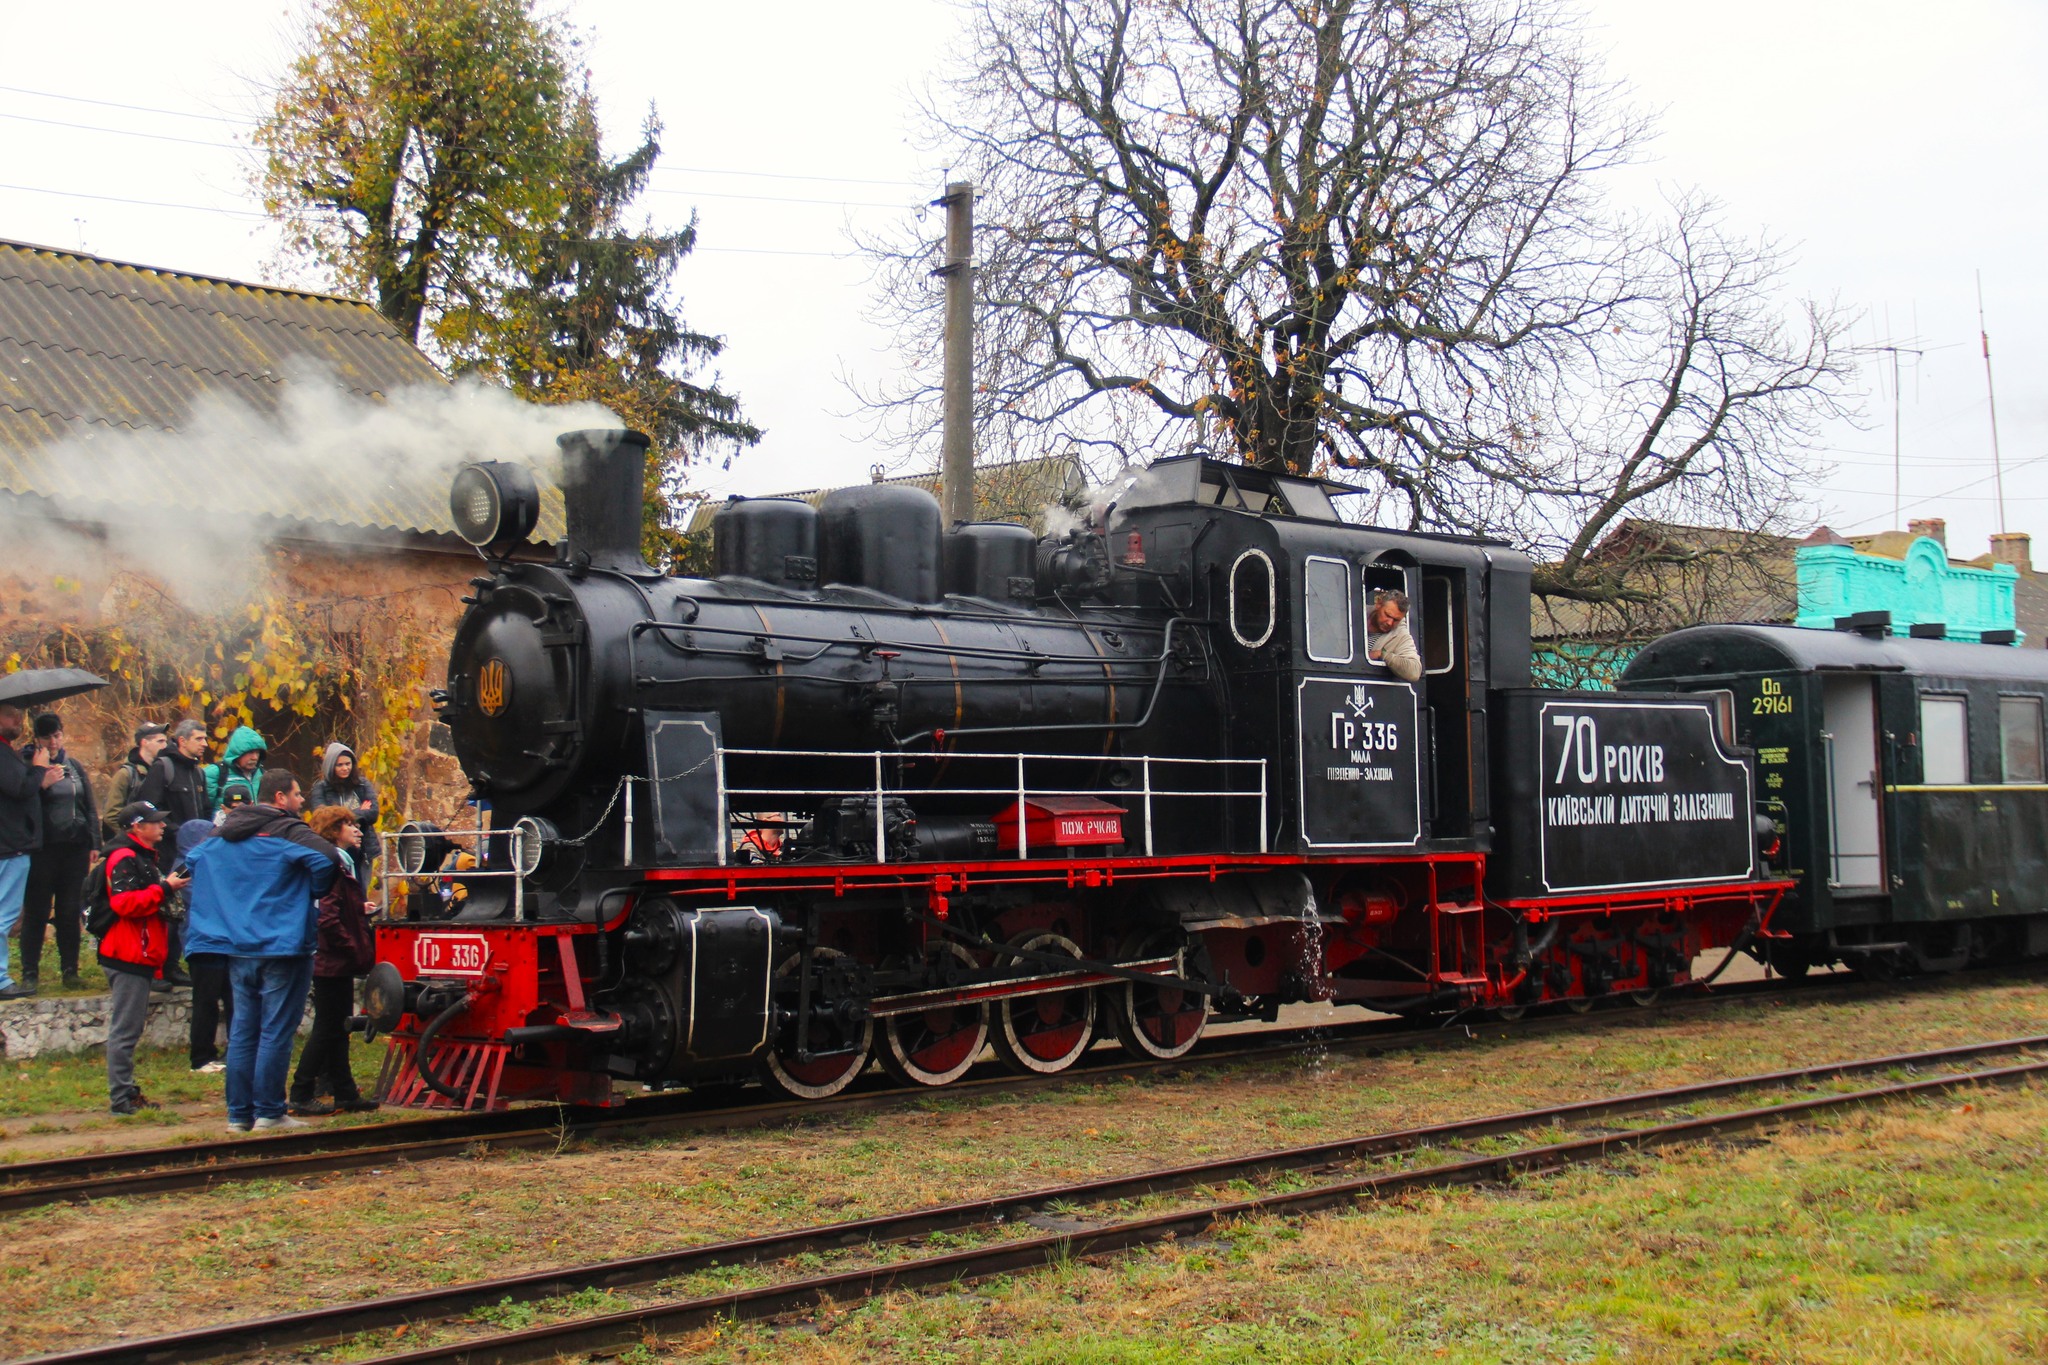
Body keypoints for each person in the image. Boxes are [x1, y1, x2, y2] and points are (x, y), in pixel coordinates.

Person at [186, 770, 339, 1132]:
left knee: (243, 1031)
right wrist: (309, 892)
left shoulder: (224, 831)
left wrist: (233, 896)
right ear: (280, 797)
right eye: (297, 794)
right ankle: (270, 1111)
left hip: (238, 946)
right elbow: (328, 859)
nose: (301, 801)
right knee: (275, 1030)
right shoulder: (287, 829)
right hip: (282, 944)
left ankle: (239, 1115)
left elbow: (194, 860)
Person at [95, 802, 186, 1115]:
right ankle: (121, 1099)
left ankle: (126, 1092)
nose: (162, 826)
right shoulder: (124, 857)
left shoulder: (139, 855)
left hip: (135, 952)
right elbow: (124, 904)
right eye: (155, 822)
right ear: (137, 826)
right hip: (126, 954)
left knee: (129, 1029)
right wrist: (165, 888)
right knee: (125, 1030)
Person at [289, 806, 378, 1116]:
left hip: (333, 959)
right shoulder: (332, 863)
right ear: (333, 830)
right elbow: (326, 917)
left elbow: (336, 909)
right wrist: (352, 947)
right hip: (331, 960)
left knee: (339, 1027)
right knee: (328, 1028)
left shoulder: (341, 862)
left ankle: (345, 1092)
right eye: (348, 824)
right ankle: (301, 1091)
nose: (356, 829)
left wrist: (358, 911)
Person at [19, 713, 100, 993]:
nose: (53, 742)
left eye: (57, 736)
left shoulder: (73, 765)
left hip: (75, 847)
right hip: (42, 849)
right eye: (47, 737)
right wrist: (42, 783)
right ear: (37, 739)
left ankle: (70, 970)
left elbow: (89, 806)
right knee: (37, 911)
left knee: (69, 910)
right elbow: (21, 803)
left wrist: (95, 842)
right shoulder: (27, 765)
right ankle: (30, 972)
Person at [138, 719, 212, 986]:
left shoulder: (198, 773)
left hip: (194, 854)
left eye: (205, 738)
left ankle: (172, 965)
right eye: (199, 739)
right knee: (164, 910)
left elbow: (205, 810)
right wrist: (175, 831)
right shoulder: (163, 767)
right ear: (182, 741)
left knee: (184, 911)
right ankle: (156, 969)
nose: (205, 744)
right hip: (167, 852)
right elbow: (148, 807)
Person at [0, 703, 52, 1001]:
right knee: (4, 916)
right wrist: (39, 769)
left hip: (11, 844)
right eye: (9, 715)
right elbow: (19, 788)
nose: (17, 720)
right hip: (10, 845)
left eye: (18, 715)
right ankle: (0, 979)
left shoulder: (8, 752)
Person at [175, 815, 232, 1073]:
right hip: (202, 942)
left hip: (224, 941)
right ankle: (201, 1056)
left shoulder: (213, 862)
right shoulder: (184, 867)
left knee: (232, 999)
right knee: (206, 1001)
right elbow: (206, 898)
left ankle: (234, 1050)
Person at [310, 742, 382, 871]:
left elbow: (373, 813)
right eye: (340, 765)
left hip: (363, 849)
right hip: (334, 850)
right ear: (331, 766)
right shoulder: (321, 789)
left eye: (348, 764)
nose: (345, 768)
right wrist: (359, 812)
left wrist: (337, 815)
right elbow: (322, 819)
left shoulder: (362, 785)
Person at [102, 722, 167, 842]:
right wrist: (132, 837)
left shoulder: (163, 771)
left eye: (165, 741)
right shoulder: (126, 774)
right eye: (160, 741)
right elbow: (111, 815)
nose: (165, 746)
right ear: (144, 742)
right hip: (132, 842)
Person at [1366, 589, 1423, 683]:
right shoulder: (1355, 612)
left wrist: (1383, 654)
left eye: (1396, 620)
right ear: (1378, 604)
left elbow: (1414, 671)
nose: (1390, 623)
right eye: (1387, 615)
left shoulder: (1401, 635)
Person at [208, 725, 268, 809]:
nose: (255, 757)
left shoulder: (263, 775)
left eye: (257, 752)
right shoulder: (215, 773)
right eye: (250, 752)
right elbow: (203, 809)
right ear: (237, 752)